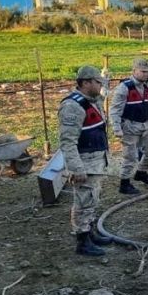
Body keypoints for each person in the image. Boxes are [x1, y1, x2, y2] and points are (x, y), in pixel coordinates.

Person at [58, 66, 113, 256]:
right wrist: (76, 168)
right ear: (86, 82)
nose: (101, 85)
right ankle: (82, 241)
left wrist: (107, 79)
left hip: (95, 161)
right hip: (84, 163)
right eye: (98, 82)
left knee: (91, 199)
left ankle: (90, 233)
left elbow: (103, 96)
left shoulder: (92, 100)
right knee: (83, 201)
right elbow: (67, 142)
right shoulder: (73, 107)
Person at [110, 58, 148, 195]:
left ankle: (141, 173)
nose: (145, 74)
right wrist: (117, 128)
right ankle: (124, 184)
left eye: (147, 72)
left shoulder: (146, 88)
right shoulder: (124, 88)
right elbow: (115, 109)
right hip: (129, 128)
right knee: (130, 157)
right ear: (134, 71)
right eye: (142, 71)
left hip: (145, 126)